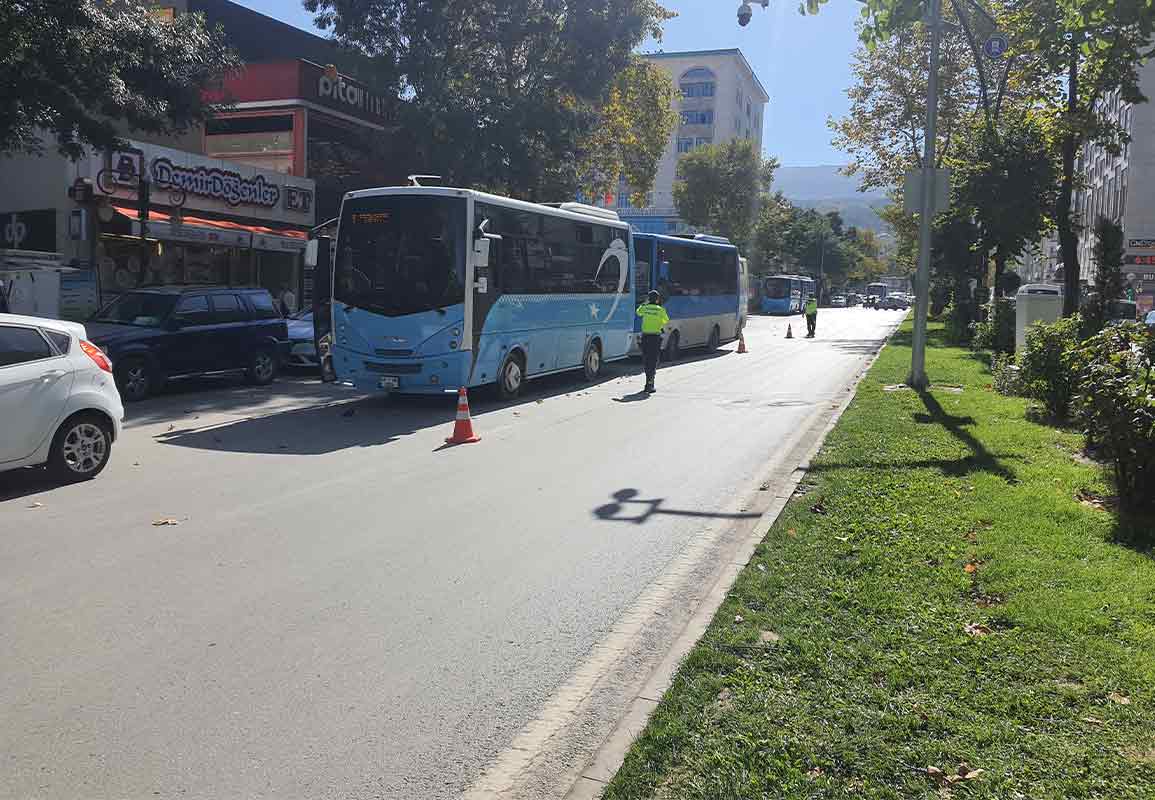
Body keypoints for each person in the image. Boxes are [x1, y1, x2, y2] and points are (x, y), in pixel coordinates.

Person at [636, 290, 669, 393]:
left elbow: (638, 312)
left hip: (645, 337)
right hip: (655, 338)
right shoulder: (660, 310)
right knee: (653, 360)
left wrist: (644, 303)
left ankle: (648, 382)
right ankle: (650, 383)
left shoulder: (645, 308)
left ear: (648, 299)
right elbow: (665, 321)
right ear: (658, 299)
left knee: (646, 359)